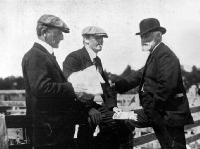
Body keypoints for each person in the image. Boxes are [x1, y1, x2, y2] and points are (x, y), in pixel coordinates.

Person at [111, 18, 194, 149]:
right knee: (124, 119)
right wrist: (116, 86)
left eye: (147, 36)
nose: (144, 40)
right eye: (142, 36)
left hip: (168, 115)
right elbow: (140, 75)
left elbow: (167, 87)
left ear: (159, 36)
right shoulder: (155, 54)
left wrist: (152, 110)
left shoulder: (165, 55)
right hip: (158, 112)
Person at [63, 26, 133, 149]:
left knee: (124, 123)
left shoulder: (97, 60)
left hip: (95, 106)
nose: (101, 41)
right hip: (79, 107)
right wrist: (88, 109)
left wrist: (113, 107)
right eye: (97, 38)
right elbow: (73, 89)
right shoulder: (74, 58)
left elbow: (105, 87)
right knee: (90, 127)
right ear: (86, 40)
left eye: (102, 38)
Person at [22, 14, 77, 149]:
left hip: (53, 131)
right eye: (58, 33)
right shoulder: (36, 55)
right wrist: (72, 87)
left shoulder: (43, 55)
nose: (62, 37)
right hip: (49, 134)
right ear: (44, 32)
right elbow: (42, 88)